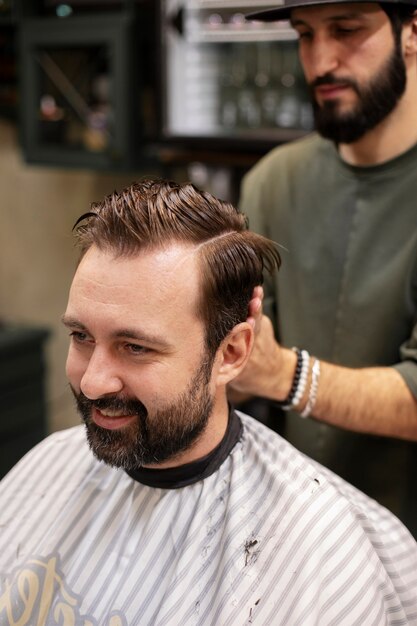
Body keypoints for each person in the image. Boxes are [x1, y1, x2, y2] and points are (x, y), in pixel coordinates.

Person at [0, 180, 416, 625]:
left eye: (135, 347)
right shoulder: (44, 466)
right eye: (81, 336)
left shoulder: (317, 545)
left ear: (231, 353)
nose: (93, 383)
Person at [232, 0, 417, 536]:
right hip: (300, 532)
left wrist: (284, 375)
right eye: (305, 35)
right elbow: (248, 359)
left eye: (346, 30)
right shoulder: (274, 180)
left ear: (411, 30)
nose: (320, 61)